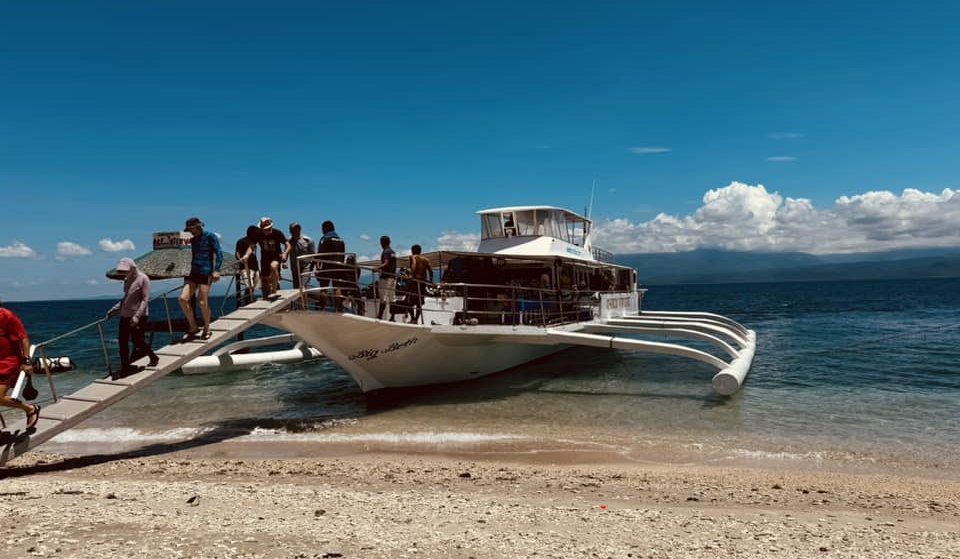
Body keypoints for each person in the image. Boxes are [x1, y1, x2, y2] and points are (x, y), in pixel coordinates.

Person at [106, 257, 159, 378]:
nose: (124, 273)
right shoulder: (126, 280)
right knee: (122, 343)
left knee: (137, 340)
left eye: (126, 270)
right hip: (124, 315)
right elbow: (126, 298)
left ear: (133, 268)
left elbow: (145, 299)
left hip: (138, 316)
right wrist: (113, 310)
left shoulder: (143, 279)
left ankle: (153, 357)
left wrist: (136, 316)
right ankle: (125, 369)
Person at [178, 217, 223, 341]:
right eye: (188, 229)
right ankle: (193, 326)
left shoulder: (210, 236)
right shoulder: (192, 240)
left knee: (202, 302)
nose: (190, 231)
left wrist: (217, 270)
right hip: (193, 273)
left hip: (205, 273)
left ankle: (207, 328)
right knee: (182, 299)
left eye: (191, 229)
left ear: (198, 226)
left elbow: (219, 253)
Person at [0, 301, 40, 432]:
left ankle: (30, 409)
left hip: (8, 363)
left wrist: (27, 361)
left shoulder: (7, 315)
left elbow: (23, 338)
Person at [315, 220, 346, 310]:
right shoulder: (340, 240)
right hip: (338, 266)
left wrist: (318, 268)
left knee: (324, 288)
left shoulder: (325, 239)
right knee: (337, 288)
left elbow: (319, 255)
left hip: (327, 267)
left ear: (325, 228)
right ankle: (338, 308)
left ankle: (322, 308)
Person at [256, 217, 289, 299]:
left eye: (270, 228)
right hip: (264, 259)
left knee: (273, 266)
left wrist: (285, 254)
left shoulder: (277, 233)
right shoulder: (258, 234)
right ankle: (266, 297)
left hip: (276, 256)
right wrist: (247, 255)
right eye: (266, 229)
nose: (268, 230)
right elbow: (252, 245)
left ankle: (274, 291)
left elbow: (288, 244)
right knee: (264, 279)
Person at [372, 235, 397, 320]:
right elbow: (390, 265)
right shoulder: (393, 252)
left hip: (386, 278)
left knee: (383, 297)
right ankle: (392, 317)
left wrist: (377, 268)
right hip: (393, 277)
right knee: (392, 298)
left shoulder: (386, 252)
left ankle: (380, 316)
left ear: (382, 243)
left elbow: (386, 263)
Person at [235, 225, 260, 305]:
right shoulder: (241, 241)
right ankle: (248, 301)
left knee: (255, 284)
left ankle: (250, 298)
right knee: (249, 285)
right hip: (245, 266)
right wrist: (240, 260)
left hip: (255, 266)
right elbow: (237, 252)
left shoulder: (255, 242)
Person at [286, 222, 315, 290]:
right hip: (295, 268)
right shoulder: (289, 241)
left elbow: (313, 255)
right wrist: (285, 262)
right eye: (294, 229)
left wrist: (312, 267)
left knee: (303, 287)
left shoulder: (308, 240)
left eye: (297, 228)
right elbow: (286, 252)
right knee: (296, 288)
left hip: (306, 267)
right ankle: (300, 300)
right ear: (290, 231)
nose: (296, 230)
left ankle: (304, 299)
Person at [409, 244, 433, 324]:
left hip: (415, 281)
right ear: (420, 251)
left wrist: (410, 276)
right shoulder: (426, 259)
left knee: (409, 302)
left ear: (412, 251)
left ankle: (412, 318)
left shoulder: (413, 257)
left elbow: (414, 265)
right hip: (423, 282)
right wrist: (430, 281)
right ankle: (416, 319)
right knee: (419, 302)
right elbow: (431, 271)